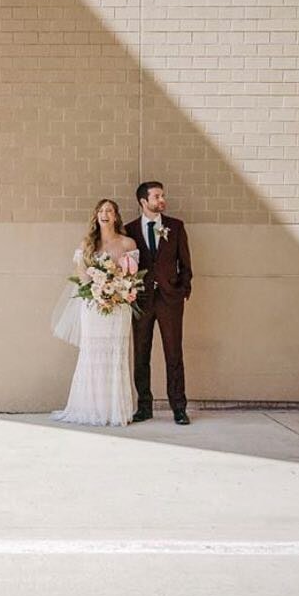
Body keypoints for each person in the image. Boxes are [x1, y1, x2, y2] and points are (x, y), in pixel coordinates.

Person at [51, 199, 139, 427]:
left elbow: (131, 277)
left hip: (119, 306)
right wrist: (99, 290)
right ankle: (89, 408)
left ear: (116, 216)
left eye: (109, 210)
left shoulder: (128, 243)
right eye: (101, 210)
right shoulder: (87, 244)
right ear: (96, 216)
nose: (105, 213)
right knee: (92, 355)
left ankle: (115, 411)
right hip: (93, 308)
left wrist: (115, 289)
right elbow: (82, 279)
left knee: (115, 355)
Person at [125, 181, 193, 426]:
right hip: (141, 300)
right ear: (144, 201)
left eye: (162, 195)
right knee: (141, 354)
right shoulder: (129, 229)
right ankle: (144, 407)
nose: (162, 199)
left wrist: (183, 290)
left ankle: (179, 408)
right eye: (157, 196)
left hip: (170, 300)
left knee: (173, 353)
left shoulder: (175, 226)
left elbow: (185, 263)